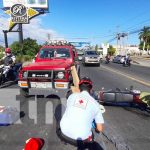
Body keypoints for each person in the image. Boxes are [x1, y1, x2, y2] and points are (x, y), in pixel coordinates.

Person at [58, 77, 105, 149]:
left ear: (79, 88)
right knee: (94, 133)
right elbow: (100, 129)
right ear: (91, 90)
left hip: (63, 133)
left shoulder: (71, 96)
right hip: (81, 140)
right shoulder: (96, 104)